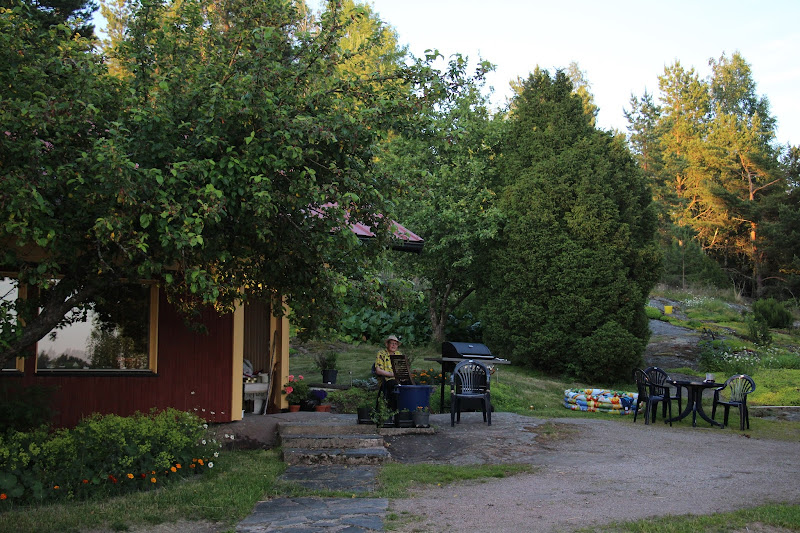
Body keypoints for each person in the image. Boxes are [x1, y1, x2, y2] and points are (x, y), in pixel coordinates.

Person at [374, 334, 402, 409]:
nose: (394, 345)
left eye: (395, 344)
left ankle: (409, 409)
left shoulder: (398, 354)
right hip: (386, 380)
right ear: (387, 344)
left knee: (413, 384)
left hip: (399, 379)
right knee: (393, 384)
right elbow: (378, 371)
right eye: (392, 343)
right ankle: (393, 409)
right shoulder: (381, 353)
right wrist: (392, 374)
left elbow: (401, 368)